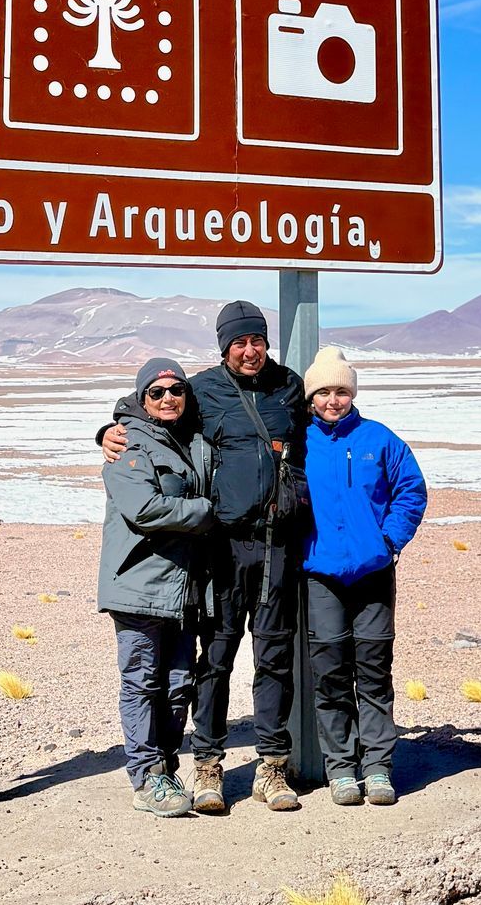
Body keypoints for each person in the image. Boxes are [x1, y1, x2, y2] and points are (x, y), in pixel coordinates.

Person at [99, 300, 309, 814]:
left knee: (274, 659)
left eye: (256, 340)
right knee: (214, 659)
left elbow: (324, 427)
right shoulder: (203, 390)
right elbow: (148, 416)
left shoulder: (290, 387)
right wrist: (104, 433)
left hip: (276, 544)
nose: (249, 350)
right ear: (224, 347)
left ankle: (272, 768)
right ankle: (208, 764)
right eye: (239, 342)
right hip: (221, 550)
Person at [298, 345, 427, 807]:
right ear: (311, 395)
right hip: (320, 576)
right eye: (325, 392)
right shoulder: (299, 441)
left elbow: (410, 489)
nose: (333, 400)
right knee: (330, 675)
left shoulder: (379, 439)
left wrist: (389, 542)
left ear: (352, 393)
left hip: (373, 574)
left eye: (342, 391)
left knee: (373, 673)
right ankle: (341, 770)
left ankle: (377, 767)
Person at [97, 356, 222, 820]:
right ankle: (146, 775)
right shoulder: (128, 444)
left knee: (177, 683)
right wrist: (207, 513)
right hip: (140, 584)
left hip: (184, 586)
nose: (168, 398)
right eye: (156, 392)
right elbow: (144, 509)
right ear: (141, 398)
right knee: (142, 681)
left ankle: (165, 768)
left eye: (176, 390)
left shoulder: (191, 440)